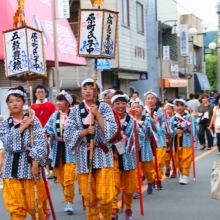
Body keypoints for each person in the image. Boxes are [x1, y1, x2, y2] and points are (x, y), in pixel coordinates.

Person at [64, 78, 118, 220]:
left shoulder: (105, 107)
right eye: (85, 88)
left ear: (98, 91)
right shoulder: (75, 110)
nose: (88, 91)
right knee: (89, 197)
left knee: (105, 194)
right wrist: (84, 132)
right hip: (83, 156)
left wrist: (97, 115)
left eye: (91, 88)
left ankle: (107, 216)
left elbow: (112, 131)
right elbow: (67, 133)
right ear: (81, 92)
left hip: (102, 155)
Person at [0, 86, 47, 219]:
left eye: (17, 100)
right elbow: (8, 145)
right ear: (7, 104)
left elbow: (40, 143)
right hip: (10, 170)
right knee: (16, 208)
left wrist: (35, 165)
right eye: (11, 101)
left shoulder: (34, 121)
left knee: (34, 207)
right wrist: (23, 126)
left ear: (23, 102)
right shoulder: (4, 124)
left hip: (29, 168)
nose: (14, 103)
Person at [45, 90, 76, 213]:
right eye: (57, 100)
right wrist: (47, 135)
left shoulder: (75, 114)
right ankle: (67, 199)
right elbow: (47, 129)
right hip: (57, 148)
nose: (58, 103)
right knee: (62, 178)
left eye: (61, 100)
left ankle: (69, 201)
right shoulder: (54, 116)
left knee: (69, 176)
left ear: (68, 103)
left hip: (71, 149)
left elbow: (80, 129)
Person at [111, 92, 138, 220]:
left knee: (129, 184)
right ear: (113, 105)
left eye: (123, 103)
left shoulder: (131, 120)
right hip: (112, 155)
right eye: (117, 103)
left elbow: (129, 136)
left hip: (127, 154)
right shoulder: (108, 118)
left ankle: (128, 208)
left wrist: (117, 136)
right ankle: (113, 210)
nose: (120, 106)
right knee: (113, 184)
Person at [31, 85, 56, 179]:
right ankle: (39, 172)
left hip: (48, 132)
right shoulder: (32, 107)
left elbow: (54, 119)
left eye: (42, 92)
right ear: (35, 94)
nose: (40, 94)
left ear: (45, 93)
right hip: (36, 134)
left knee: (49, 151)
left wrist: (50, 132)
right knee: (37, 152)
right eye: (38, 92)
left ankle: (51, 171)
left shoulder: (51, 105)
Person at [170, 99, 197, 185]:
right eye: (177, 105)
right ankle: (181, 172)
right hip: (176, 140)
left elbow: (193, 129)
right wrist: (173, 131)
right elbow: (169, 130)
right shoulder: (173, 118)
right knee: (177, 158)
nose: (179, 107)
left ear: (185, 107)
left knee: (186, 157)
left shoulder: (189, 117)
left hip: (186, 139)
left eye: (181, 105)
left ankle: (186, 175)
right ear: (174, 107)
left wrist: (188, 127)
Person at [143, 90, 166, 189]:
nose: (150, 100)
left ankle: (158, 179)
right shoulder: (143, 111)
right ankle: (151, 178)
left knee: (159, 160)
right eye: (148, 99)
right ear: (145, 101)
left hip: (159, 138)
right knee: (149, 161)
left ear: (156, 100)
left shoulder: (160, 111)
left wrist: (159, 130)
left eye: (152, 98)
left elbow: (164, 123)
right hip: (147, 138)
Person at [131, 98, 154, 195]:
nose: (136, 109)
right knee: (136, 170)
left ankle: (150, 181)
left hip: (145, 145)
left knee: (148, 169)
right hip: (134, 146)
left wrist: (146, 132)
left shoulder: (147, 119)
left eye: (138, 107)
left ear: (142, 108)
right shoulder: (131, 120)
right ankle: (136, 188)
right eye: (134, 107)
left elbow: (152, 132)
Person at [164, 103, 177, 178]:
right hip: (165, 138)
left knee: (174, 155)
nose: (167, 111)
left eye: (169, 109)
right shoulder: (162, 117)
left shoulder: (175, 118)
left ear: (172, 110)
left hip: (174, 138)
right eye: (166, 109)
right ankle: (168, 167)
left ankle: (175, 170)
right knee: (166, 155)